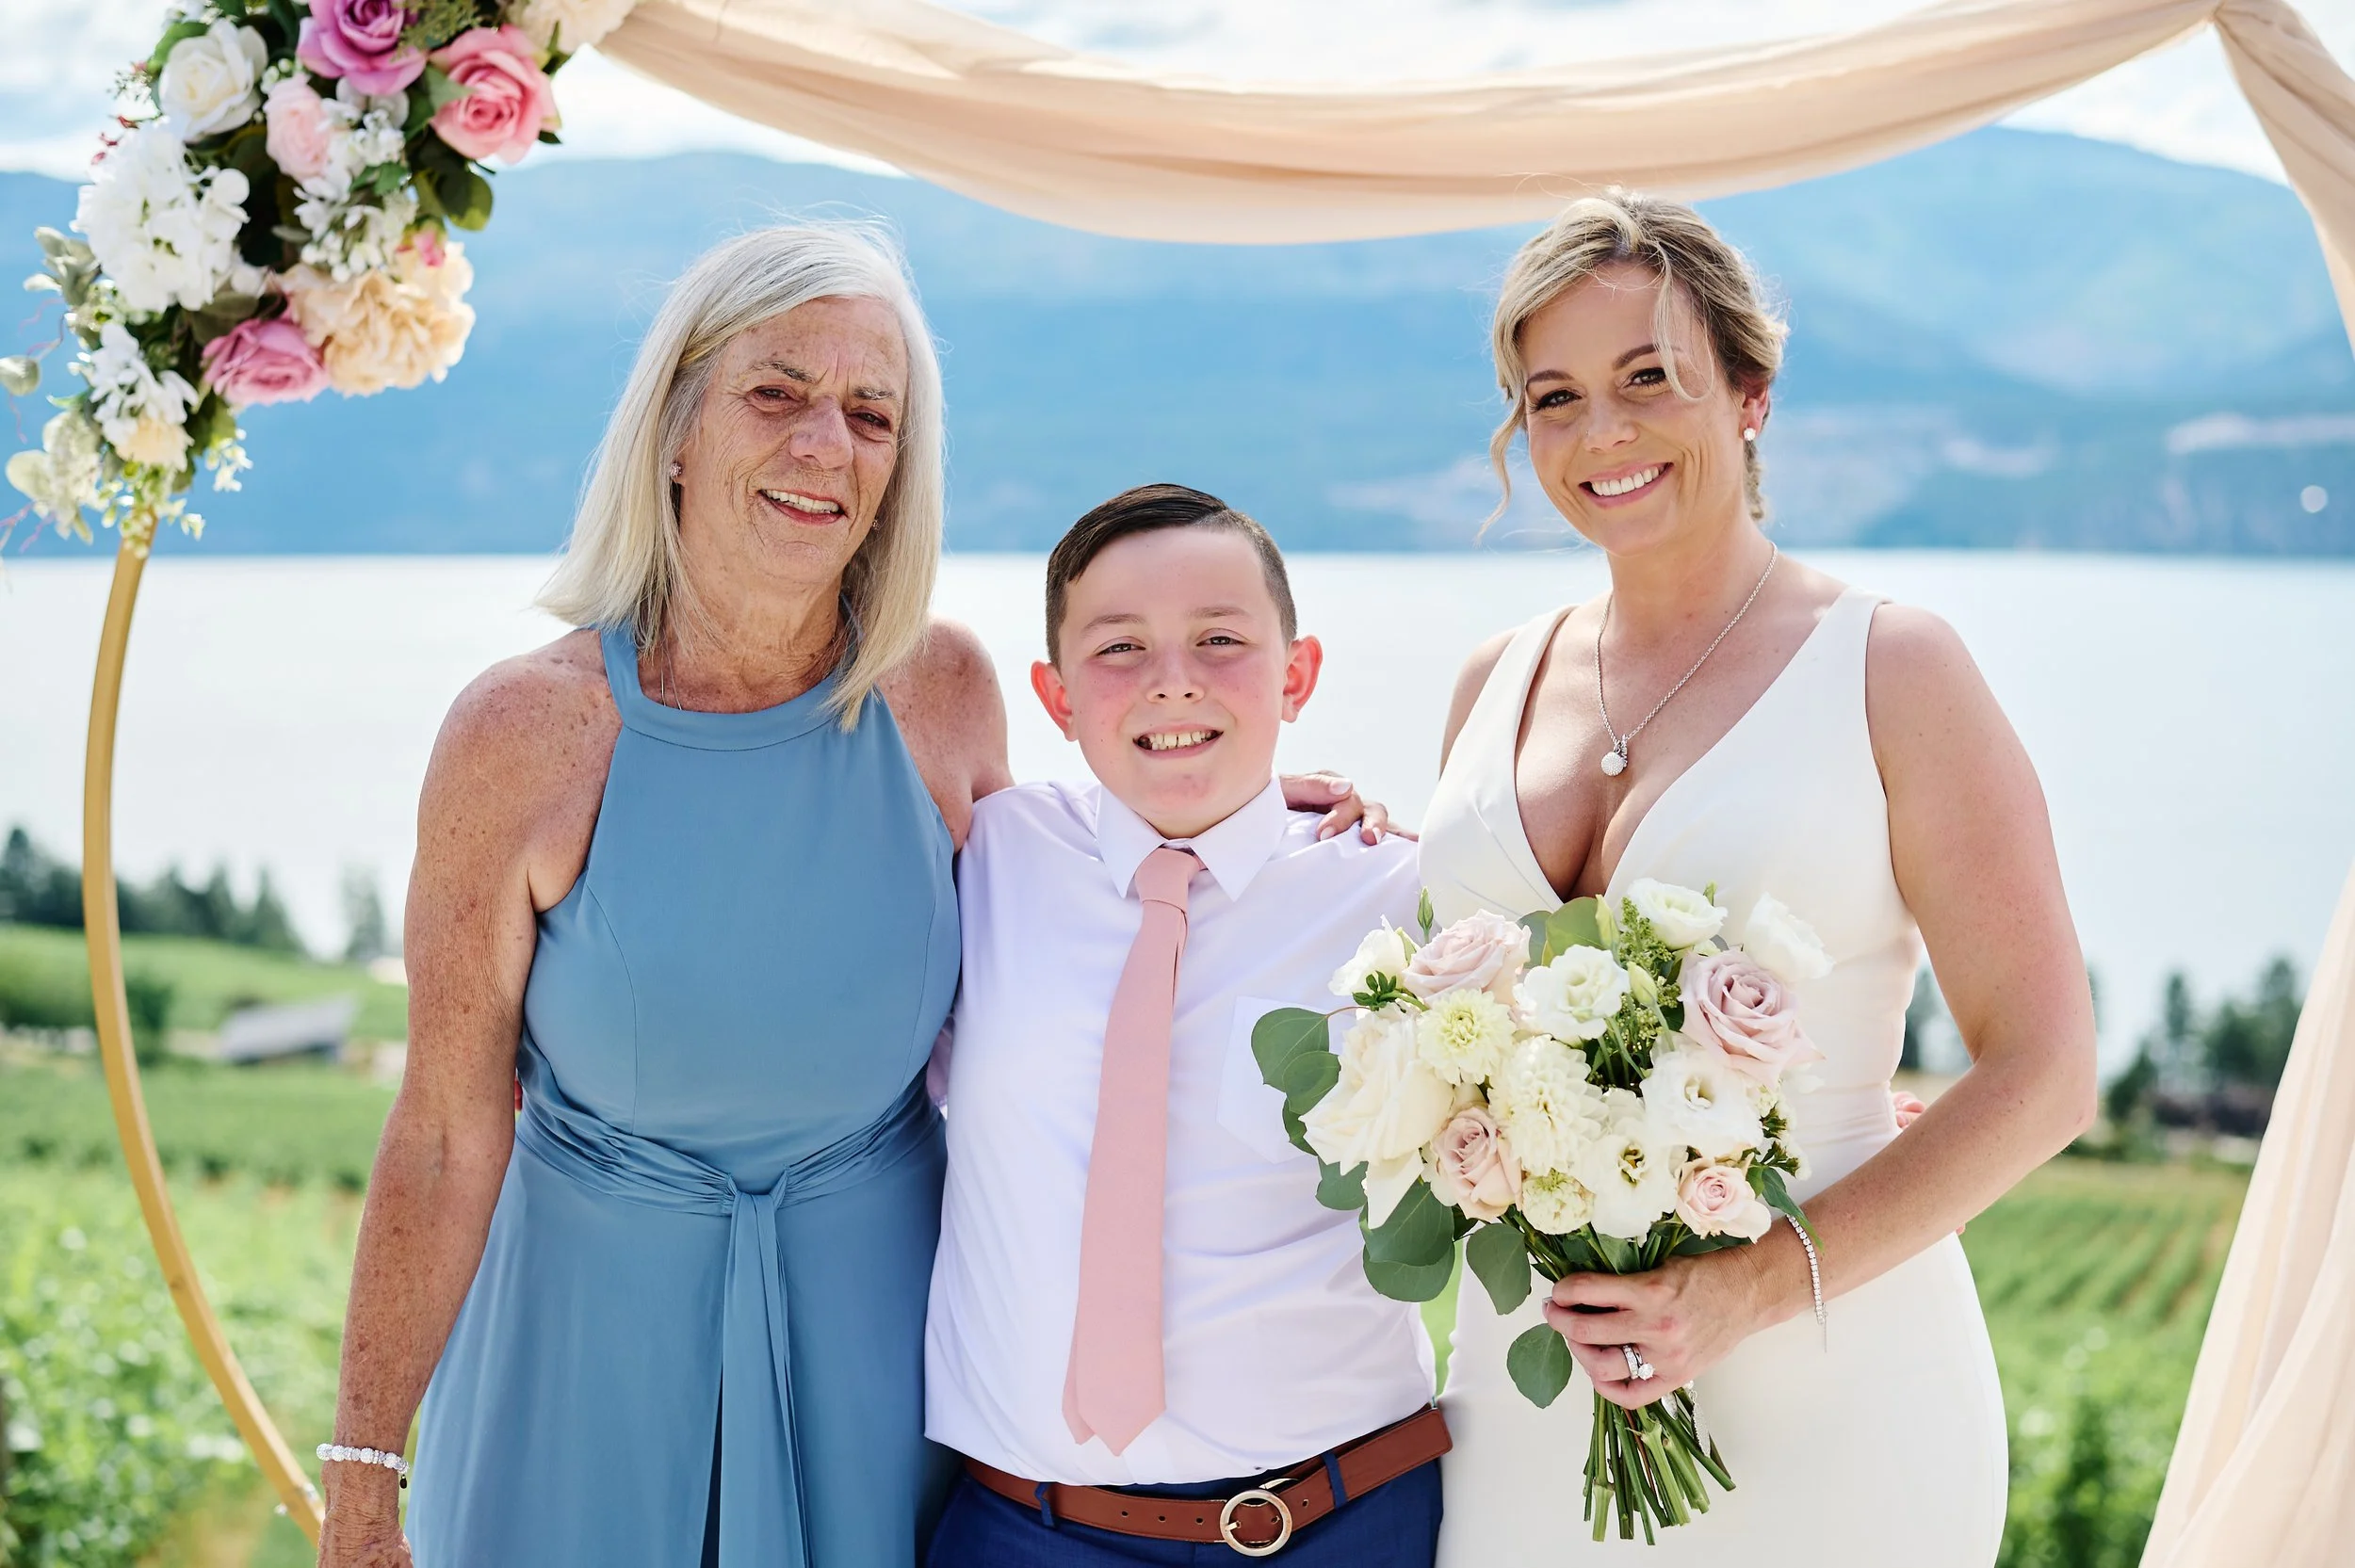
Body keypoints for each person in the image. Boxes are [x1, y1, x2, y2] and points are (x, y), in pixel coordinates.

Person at [314, 229, 1384, 1568]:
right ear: (675, 429)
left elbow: (1075, 893)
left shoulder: (939, 692)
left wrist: (1253, 812)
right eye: (777, 393)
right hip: (579, 1357)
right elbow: (441, 1126)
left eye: (872, 414)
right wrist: (363, 1478)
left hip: (877, 1359)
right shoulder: (525, 733)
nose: (826, 443)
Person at [1420, 194, 2098, 1565]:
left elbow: (2046, 1072)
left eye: (1648, 378)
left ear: (1750, 394)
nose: (1602, 432)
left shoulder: (1894, 668)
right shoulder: (1493, 680)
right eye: (1554, 397)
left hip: (1833, 1388)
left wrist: (1749, 1290)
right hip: (1535, 1391)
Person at [923, 484, 1451, 1566]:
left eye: (1220, 640)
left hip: (1342, 1519)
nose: (1174, 680)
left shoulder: (1401, 897)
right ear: (1056, 696)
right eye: (1119, 648)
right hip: (1028, 1529)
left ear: (1295, 675)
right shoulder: (991, 859)